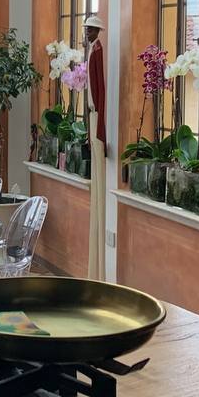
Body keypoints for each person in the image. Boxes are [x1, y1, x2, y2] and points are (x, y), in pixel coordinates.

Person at [85, 16, 107, 279]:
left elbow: (100, 88)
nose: (87, 32)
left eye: (91, 29)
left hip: (97, 117)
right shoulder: (93, 50)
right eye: (86, 29)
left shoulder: (98, 52)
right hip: (93, 116)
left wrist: (99, 128)